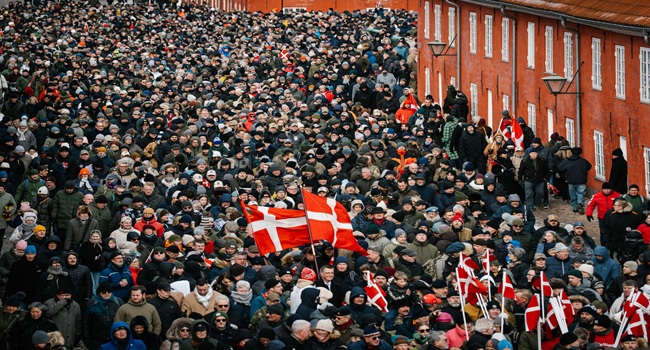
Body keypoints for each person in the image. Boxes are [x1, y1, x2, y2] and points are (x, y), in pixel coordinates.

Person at [557, 147, 592, 214]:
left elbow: (559, 167)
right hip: (581, 180)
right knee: (581, 193)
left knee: (572, 195)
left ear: (572, 152)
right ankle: (580, 203)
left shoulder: (567, 161)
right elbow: (589, 166)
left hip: (570, 180)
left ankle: (575, 208)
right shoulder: (583, 161)